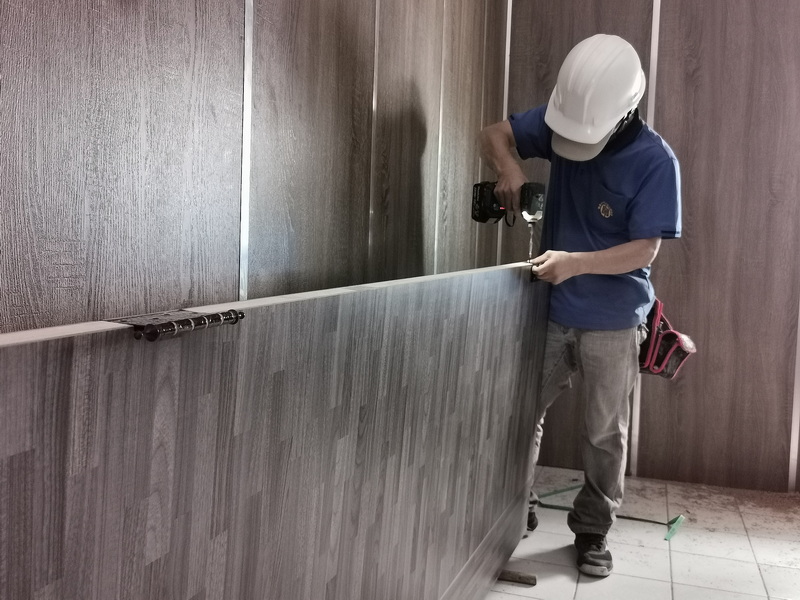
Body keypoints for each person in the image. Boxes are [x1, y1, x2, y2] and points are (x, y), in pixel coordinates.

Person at [479, 34, 681, 577]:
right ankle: (513, 509)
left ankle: (593, 529)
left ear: (624, 112)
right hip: (549, 311)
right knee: (521, 413)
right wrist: (509, 167)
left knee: (603, 433)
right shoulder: (564, 121)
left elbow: (645, 249)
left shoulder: (655, 161)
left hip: (614, 321)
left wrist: (576, 262)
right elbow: (493, 133)